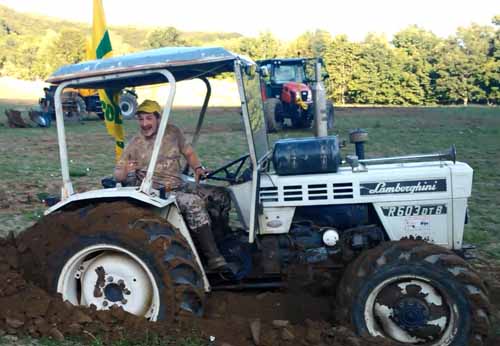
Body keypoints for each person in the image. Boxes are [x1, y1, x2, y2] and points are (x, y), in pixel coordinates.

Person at [114, 99, 231, 271]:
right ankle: (213, 258)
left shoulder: (173, 133)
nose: (144, 124)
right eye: (141, 119)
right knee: (193, 203)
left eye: (148, 119)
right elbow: (117, 173)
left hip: (178, 184)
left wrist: (197, 168)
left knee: (221, 195)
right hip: (157, 193)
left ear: (158, 118)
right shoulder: (135, 143)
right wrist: (126, 171)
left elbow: (189, 152)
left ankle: (221, 241)